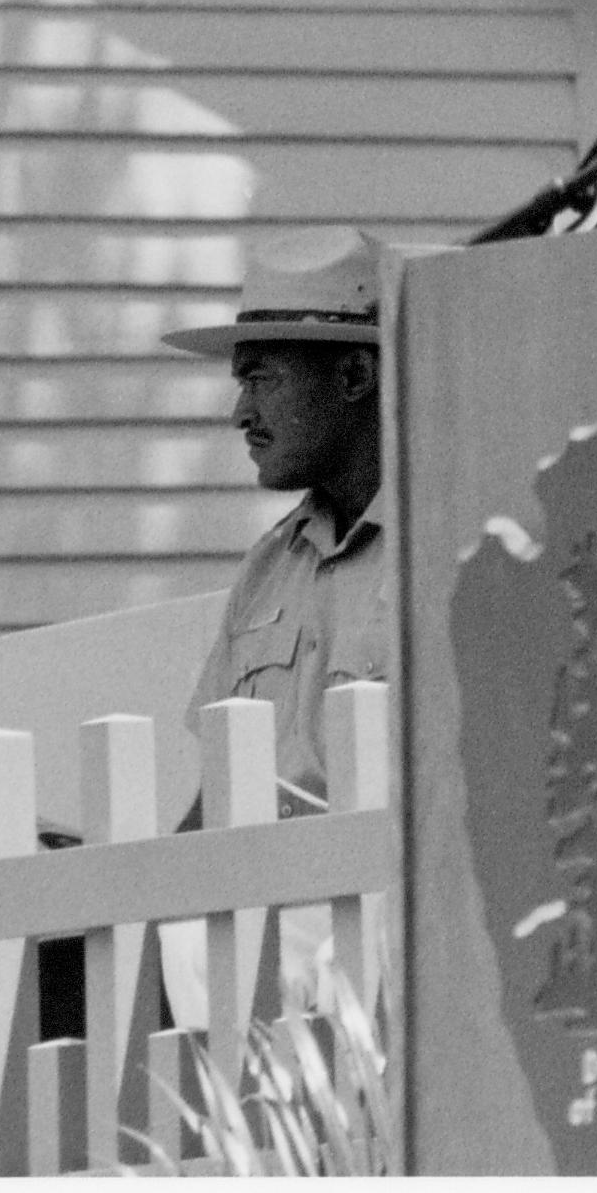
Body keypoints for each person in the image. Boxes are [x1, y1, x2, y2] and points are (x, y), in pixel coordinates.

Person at [163, 225, 396, 819]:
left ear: (353, 377)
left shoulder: (448, 546)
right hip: (261, 906)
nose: (241, 414)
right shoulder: (269, 566)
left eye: (262, 378)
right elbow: (220, 792)